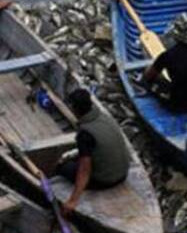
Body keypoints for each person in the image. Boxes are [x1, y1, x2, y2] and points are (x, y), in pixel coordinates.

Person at [54, 88, 130, 216]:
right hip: (123, 173)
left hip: (105, 180)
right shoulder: (103, 117)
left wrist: (73, 201)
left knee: (63, 167)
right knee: (78, 158)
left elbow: (84, 170)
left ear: (74, 109)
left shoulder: (85, 134)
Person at [143, 13, 187, 112]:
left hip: (179, 105)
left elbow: (149, 76)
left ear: (175, 34)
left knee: (148, 74)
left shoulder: (167, 56)